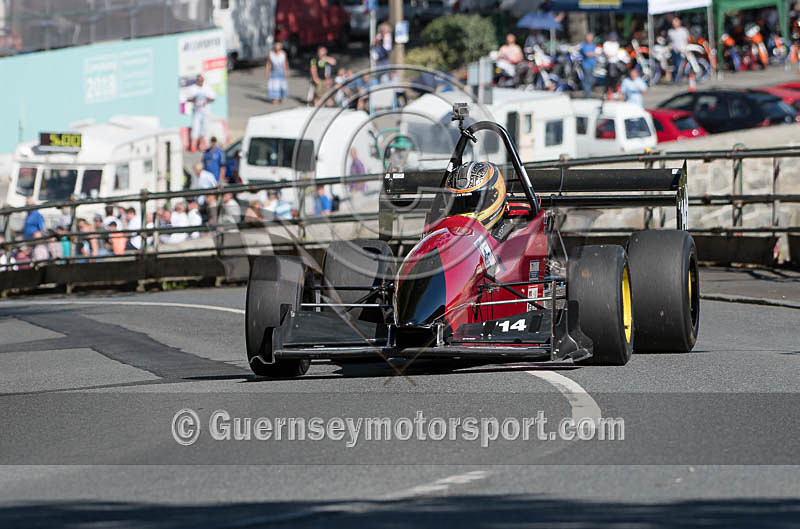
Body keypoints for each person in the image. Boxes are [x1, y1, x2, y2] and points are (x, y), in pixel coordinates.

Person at [187, 73, 216, 152]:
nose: (200, 81)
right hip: (197, 111)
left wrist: (205, 99)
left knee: (204, 128)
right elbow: (188, 98)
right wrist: (195, 99)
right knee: (196, 128)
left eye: (201, 80)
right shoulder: (193, 88)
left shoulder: (207, 88)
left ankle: (201, 145)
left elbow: (213, 98)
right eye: (199, 80)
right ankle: (193, 146)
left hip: (205, 111)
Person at [668, 17, 690, 83]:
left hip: (682, 51)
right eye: (673, 22)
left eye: (675, 22)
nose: (674, 23)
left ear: (679, 22)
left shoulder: (684, 31)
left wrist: (686, 49)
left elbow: (687, 40)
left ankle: (679, 78)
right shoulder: (670, 32)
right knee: (674, 65)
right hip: (674, 51)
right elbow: (669, 41)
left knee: (680, 64)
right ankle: (675, 78)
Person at [602, 32, 622, 99]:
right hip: (609, 63)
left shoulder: (616, 44)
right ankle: (606, 92)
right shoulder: (606, 44)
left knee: (615, 78)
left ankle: (614, 91)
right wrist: (610, 56)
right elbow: (607, 54)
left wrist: (612, 55)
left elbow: (615, 53)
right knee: (609, 78)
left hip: (615, 63)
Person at [580, 33, 598, 98]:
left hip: (592, 65)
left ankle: (588, 93)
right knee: (587, 80)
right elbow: (587, 54)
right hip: (586, 65)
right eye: (588, 37)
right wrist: (593, 54)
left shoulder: (593, 45)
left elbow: (596, 54)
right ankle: (587, 95)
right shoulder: (584, 45)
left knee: (590, 80)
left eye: (591, 37)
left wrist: (592, 54)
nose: (589, 39)